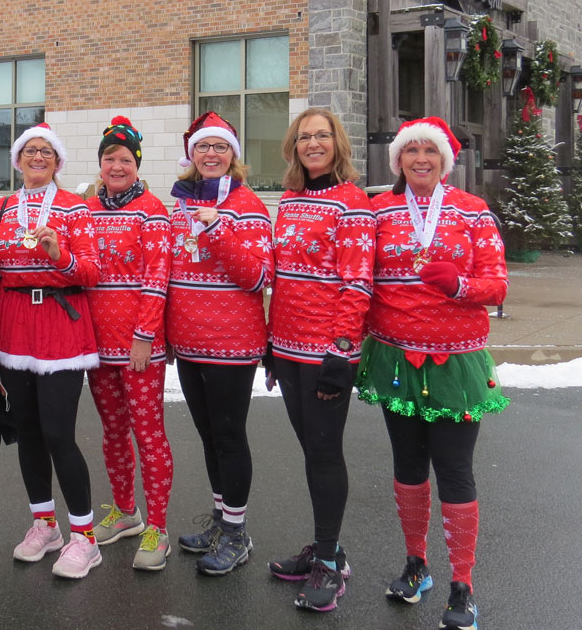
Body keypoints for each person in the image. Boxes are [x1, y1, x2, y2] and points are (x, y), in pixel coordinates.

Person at [358, 117, 508, 630]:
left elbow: (497, 286)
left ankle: (462, 584)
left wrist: (461, 284)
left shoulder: (473, 211)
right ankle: (416, 563)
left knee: (455, 469)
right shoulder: (377, 211)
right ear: (397, 159)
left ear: (445, 160)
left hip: (456, 364)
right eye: (411, 150)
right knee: (407, 465)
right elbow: (358, 279)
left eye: (430, 150)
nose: (420, 158)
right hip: (396, 361)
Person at [0, 123, 103, 579]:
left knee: (58, 433)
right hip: (13, 326)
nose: (37, 157)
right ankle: (44, 524)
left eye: (46, 152)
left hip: (61, 326)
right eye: (29, 150)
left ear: (58, 161)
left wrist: (59, 258)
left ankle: (84, 538)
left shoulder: (75, 207)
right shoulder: (2, 208)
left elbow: (91, 271)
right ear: (17, 159)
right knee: (27, 430)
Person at [266, 107, 374, 612]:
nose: (313, 144)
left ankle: (329, 563)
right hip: (286, 348)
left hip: (326, 352)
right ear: (294, 145)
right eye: (305, 136)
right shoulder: (288, 200)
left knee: (326, 453)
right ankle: (327, 547)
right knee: (312, 451)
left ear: (337, 143)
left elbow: (357, 283)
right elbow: (281, 277)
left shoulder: (352, 203)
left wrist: (342, 351)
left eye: (322, 135)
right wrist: (270, 342)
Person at [166, 112, 273, 576]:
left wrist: (217, 229)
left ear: (233, 155)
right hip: (188, 341)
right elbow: (169, 273)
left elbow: (258, 276)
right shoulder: (179, 204)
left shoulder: (248, 205)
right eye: (203, 147)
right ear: (192, 155)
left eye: (221, 147)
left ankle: (236, 532)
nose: (211, 154)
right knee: (209, 437)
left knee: (229, 437)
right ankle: (219, 518)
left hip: (231, 343)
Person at [82, 116, 174, 570]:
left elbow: (158, 278)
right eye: (108, 159)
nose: (116, 166)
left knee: (148, 433)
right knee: (113, 432)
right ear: (99, 164)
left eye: (124, 159)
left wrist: (144, 337)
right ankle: (125, 511)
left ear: (136, 164)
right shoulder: (87, 210)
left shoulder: (152, 209)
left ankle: (157, 526)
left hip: (140, 348)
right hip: (97, 348)